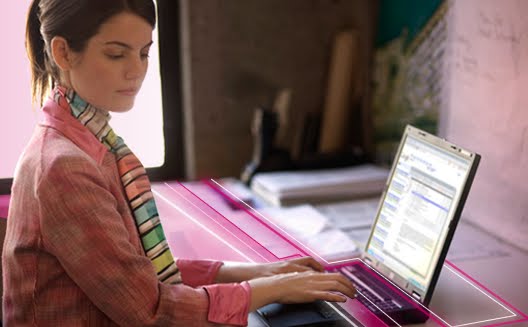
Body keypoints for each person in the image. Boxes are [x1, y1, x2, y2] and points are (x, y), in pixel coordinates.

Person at [2, 0, 356, 326]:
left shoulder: (86, 140)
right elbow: (150, 309)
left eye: (143, 53)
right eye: (116, 54)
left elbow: (143, 273)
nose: (136, 71)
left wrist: (260, 274)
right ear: (62, 51)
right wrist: (274, 290)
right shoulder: (64, 166)